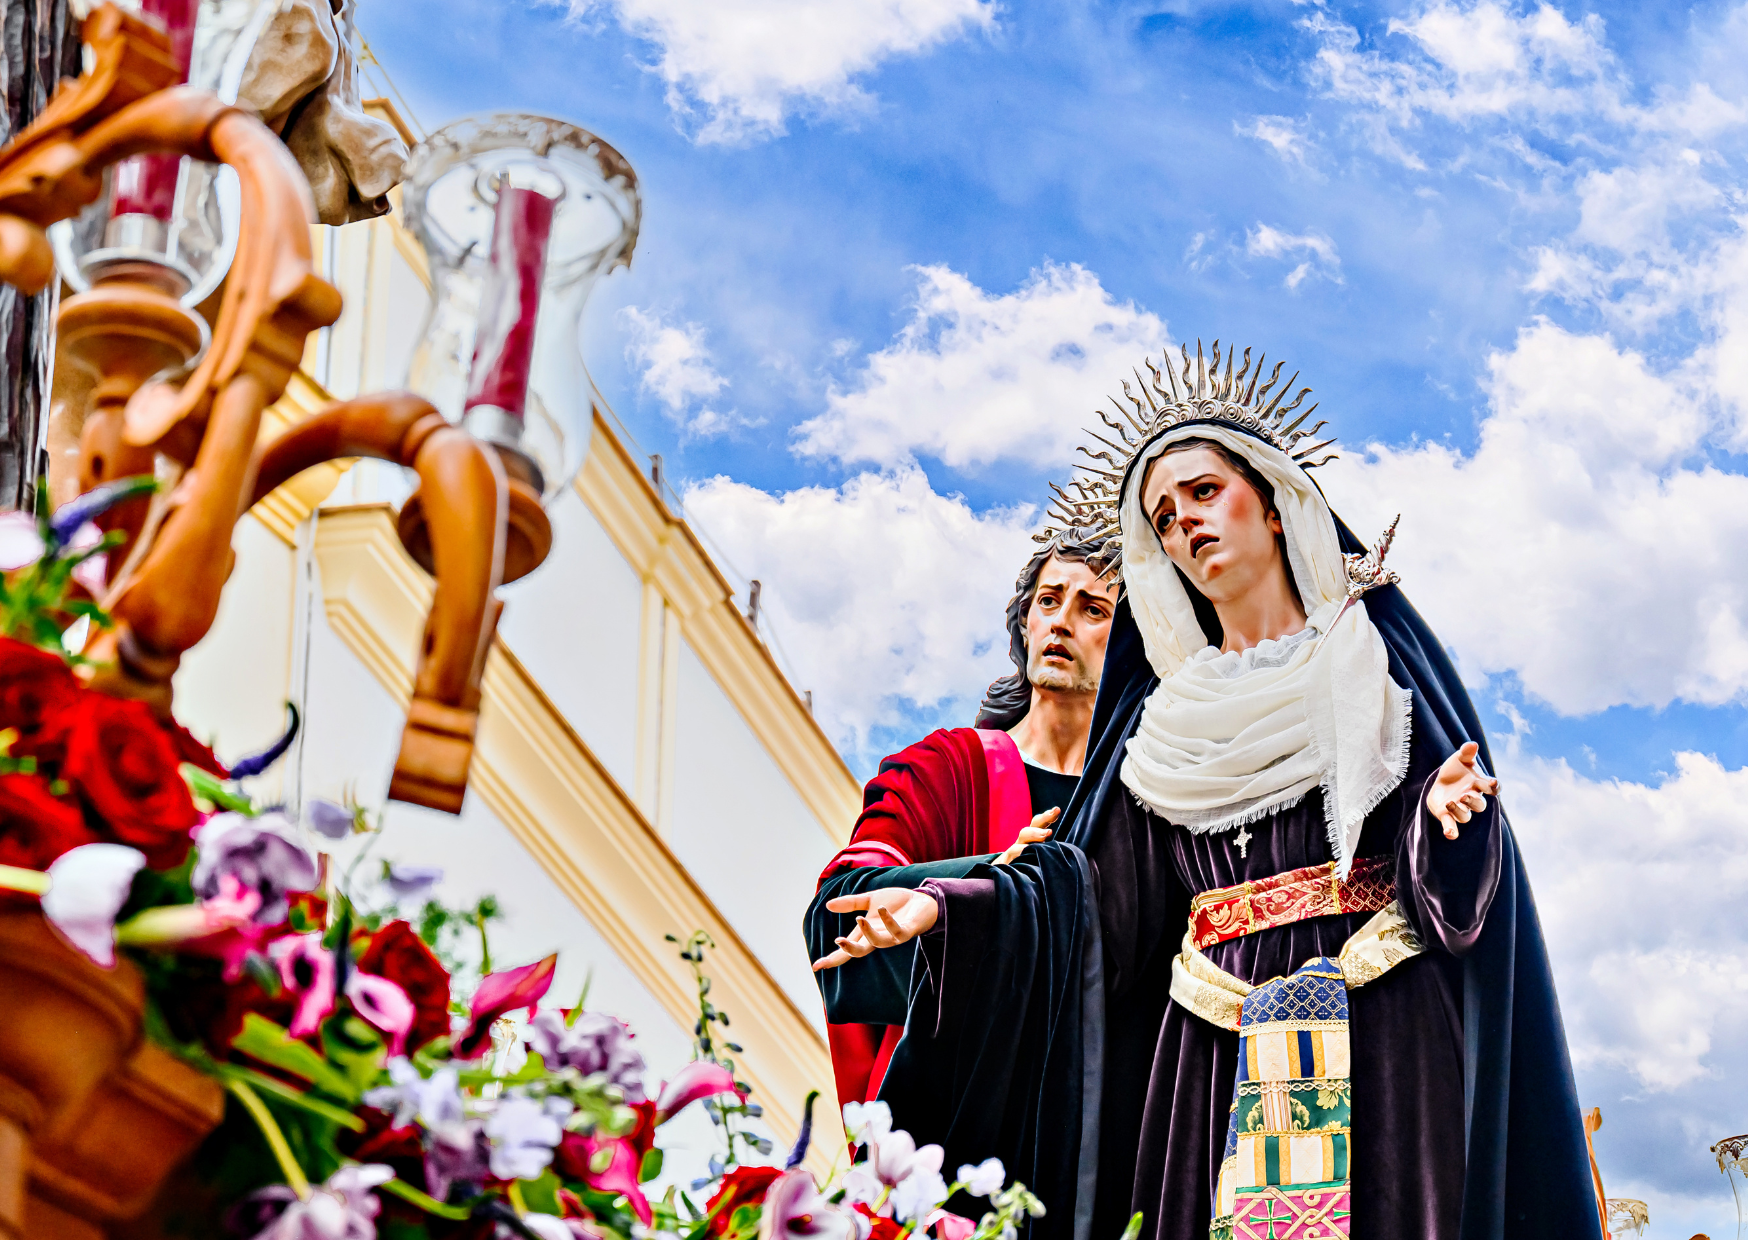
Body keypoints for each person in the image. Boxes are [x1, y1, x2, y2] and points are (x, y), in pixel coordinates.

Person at [807, 343, 1602, 1240]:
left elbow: (1458, 901)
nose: (1184, 521)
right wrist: (954, 909)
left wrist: (1443, 819)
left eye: (1202, 492)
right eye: (1162, 514)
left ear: (1270, 499)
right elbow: (1093, 907)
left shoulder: (1371, 661)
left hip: (1381, 1030)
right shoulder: (1164, 722)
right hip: (1207, 1061)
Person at [811, 529, 1119, 1114]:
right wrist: (984, 884)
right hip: (962, 1106)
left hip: (1099, 1115)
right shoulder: (948, 768)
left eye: (1093, 609)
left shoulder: (1143, 798)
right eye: (1048, 601)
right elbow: (839, 905)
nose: (1060, 623)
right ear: (1024, 623)